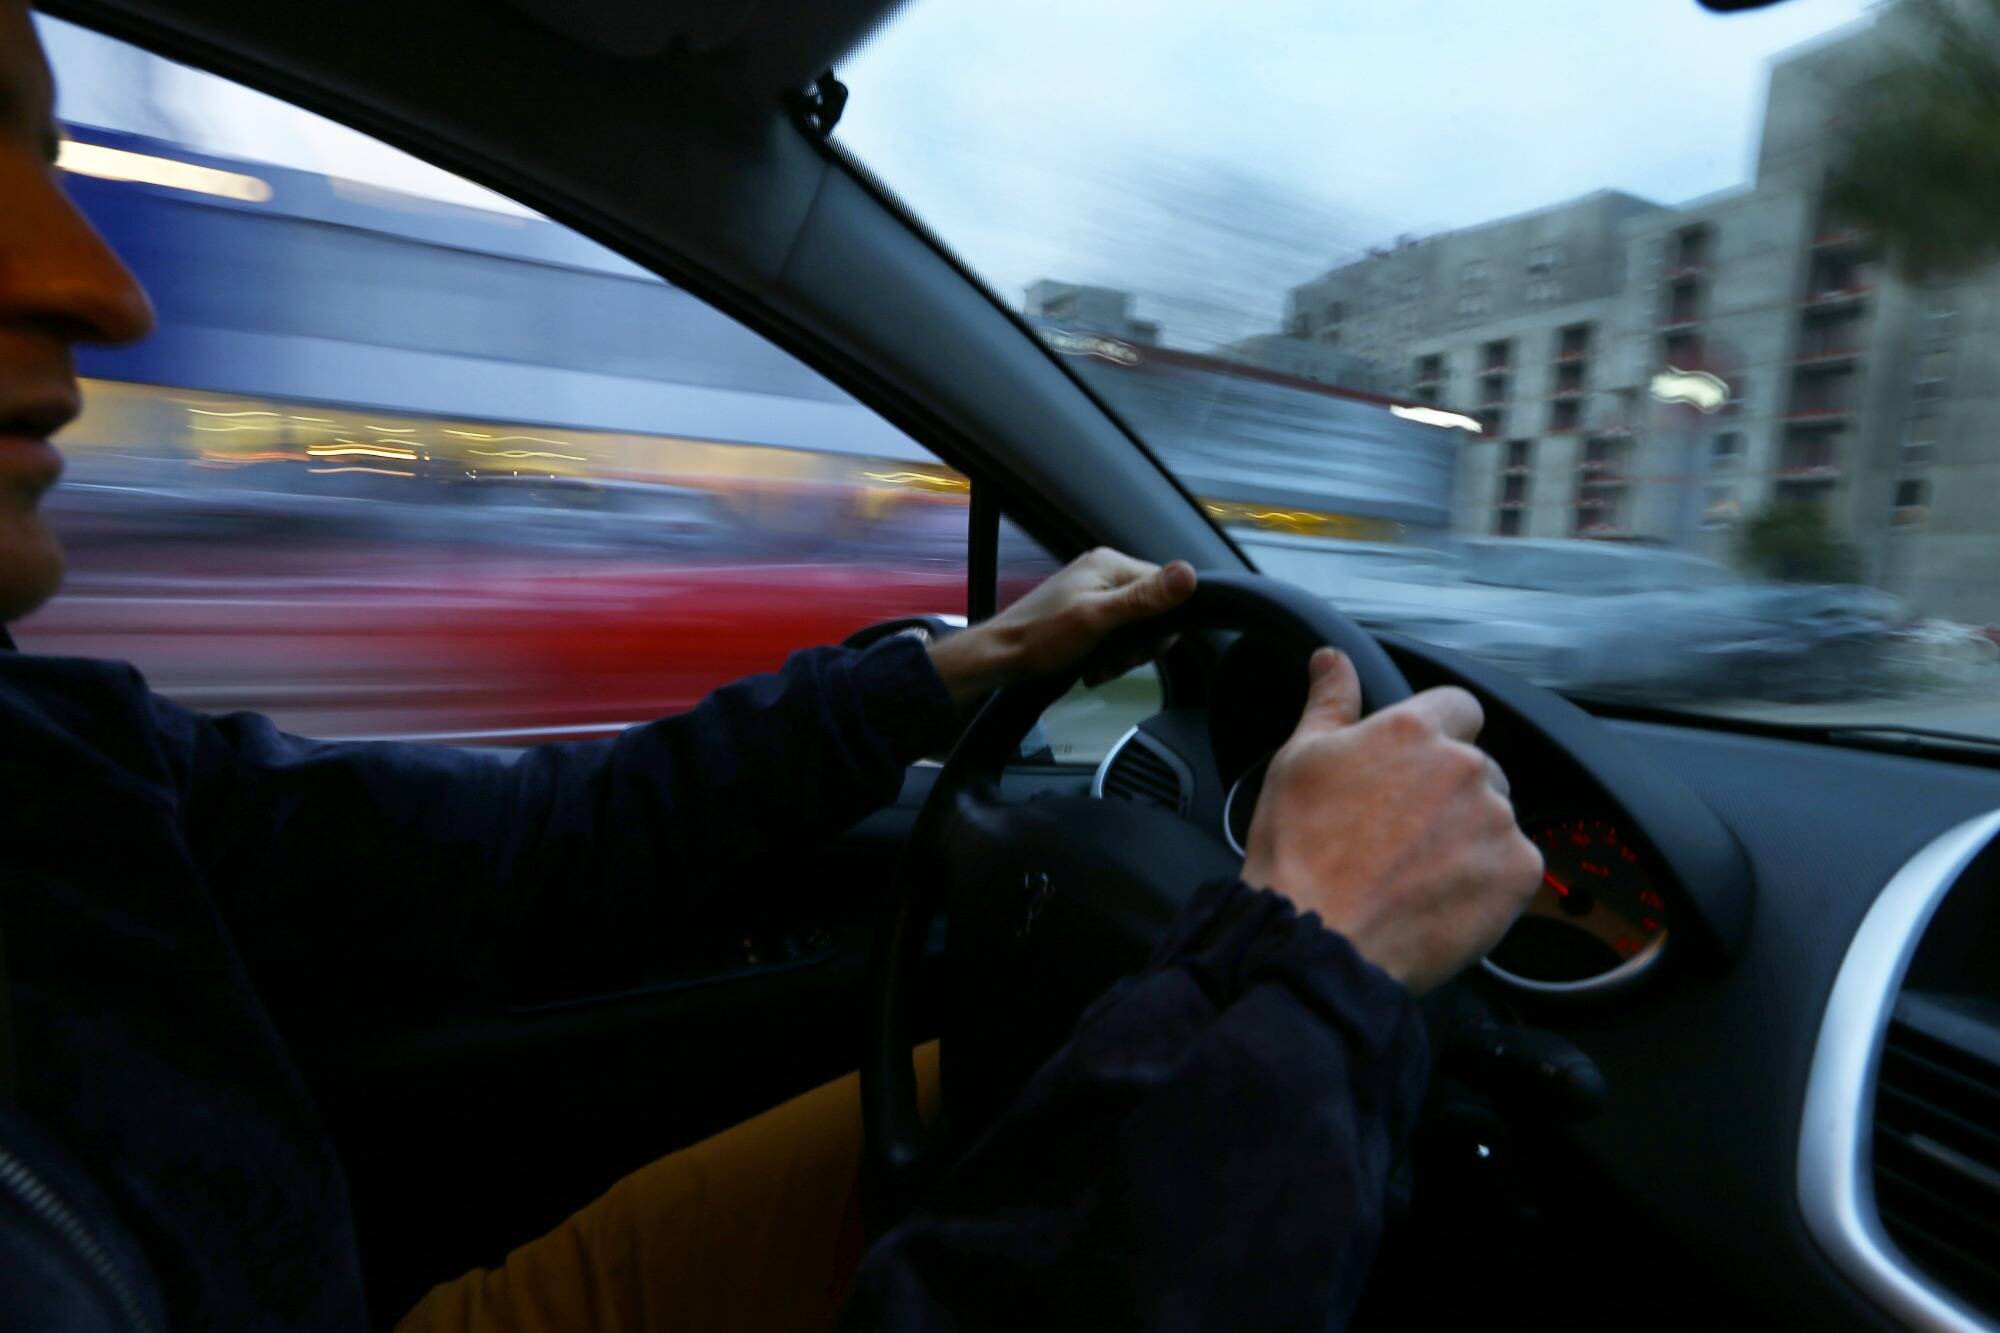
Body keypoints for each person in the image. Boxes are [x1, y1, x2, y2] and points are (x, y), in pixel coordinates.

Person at [0, 3, 1542, 1329]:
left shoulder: (47, 746)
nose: (105, 286)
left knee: (1006, 1100)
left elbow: (522, 858)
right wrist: (1309, 974)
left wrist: (949, 672)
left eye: (47, 162)